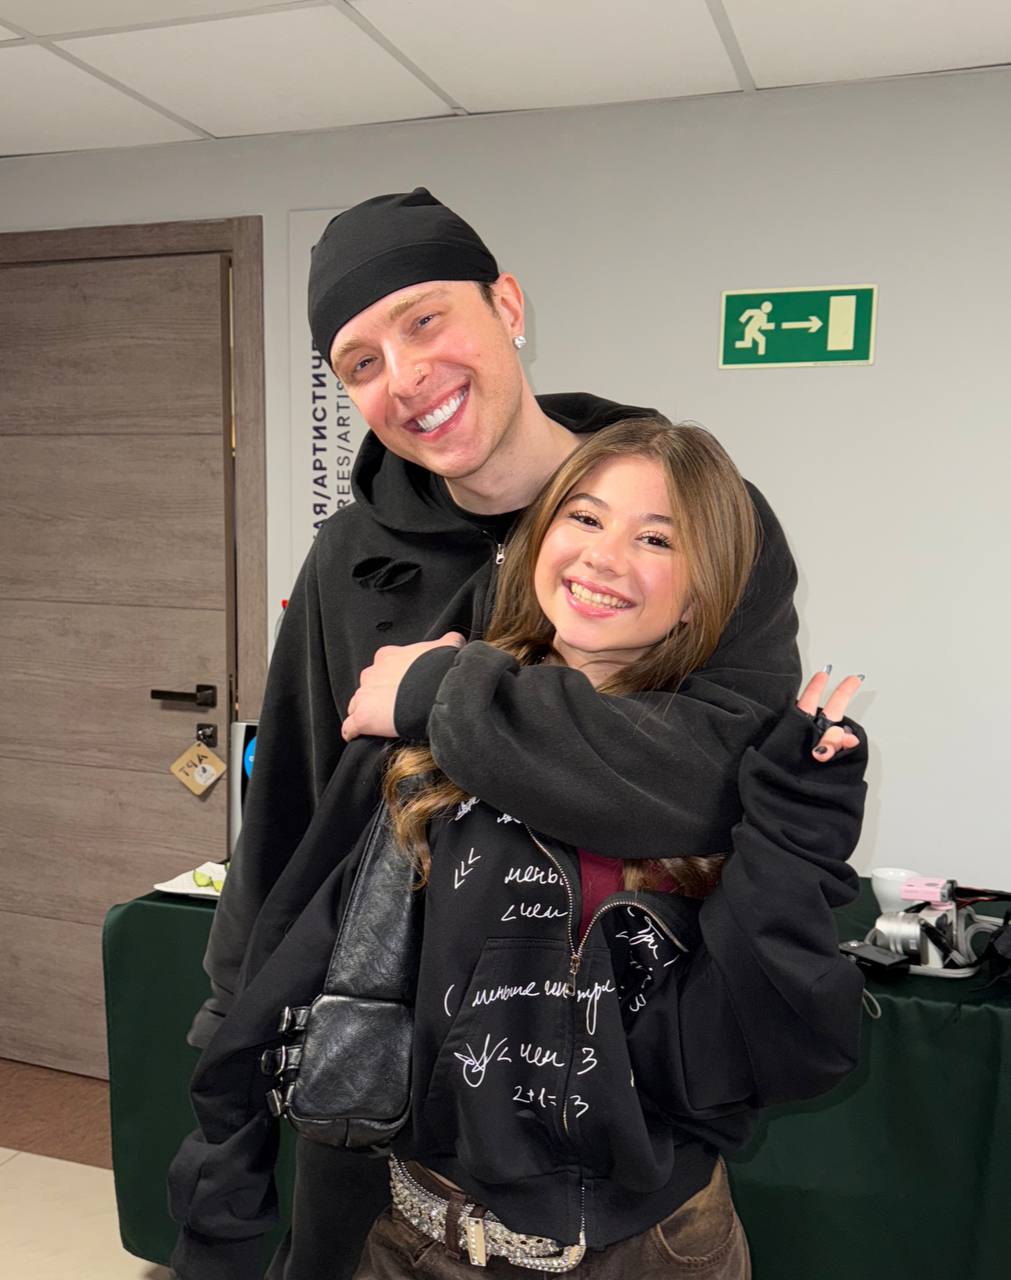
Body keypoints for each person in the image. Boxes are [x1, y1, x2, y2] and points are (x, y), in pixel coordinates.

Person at [171, 190, 801, 1280]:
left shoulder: (692, 520)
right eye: (360, 362)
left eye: (424, 320)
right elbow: (291, 831)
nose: (405, 375)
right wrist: (228, 1070)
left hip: (617, 1135)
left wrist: (442, 697)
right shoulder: (349, 561)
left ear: (507, 305)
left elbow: (708, 782)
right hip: (383, 1105)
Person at [359, 418, 867, 1277]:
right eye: (584, 517)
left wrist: (799, 818)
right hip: (423, 1236)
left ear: (702, 595)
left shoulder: (725, 775)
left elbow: (782, 1034)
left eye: (656, 538)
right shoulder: (433, 720)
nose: (602, 556)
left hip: (650, 1246)